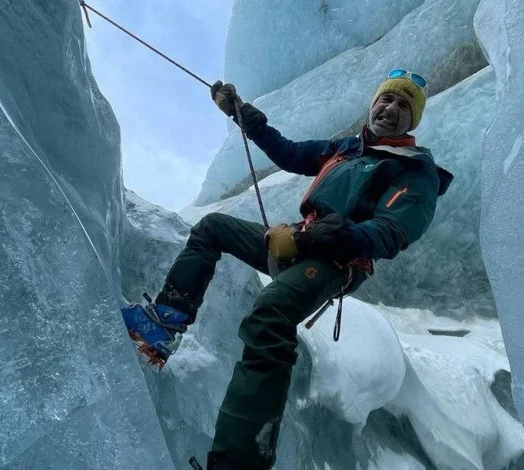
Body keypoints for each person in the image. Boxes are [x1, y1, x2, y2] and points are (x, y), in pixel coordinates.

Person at [122, 69, 453, 470]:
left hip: (338, 261)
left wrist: (320, 238)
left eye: (403, 105)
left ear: (412, 120)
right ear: (373, 103)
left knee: (271, 313)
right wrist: (245, 116)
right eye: (387, 98)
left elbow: (393, 229)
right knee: (213, 228)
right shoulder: (346, 149)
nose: (391, 108)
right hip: (297, 240)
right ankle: (163, 324)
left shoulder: (416, 170)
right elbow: (291, 154)